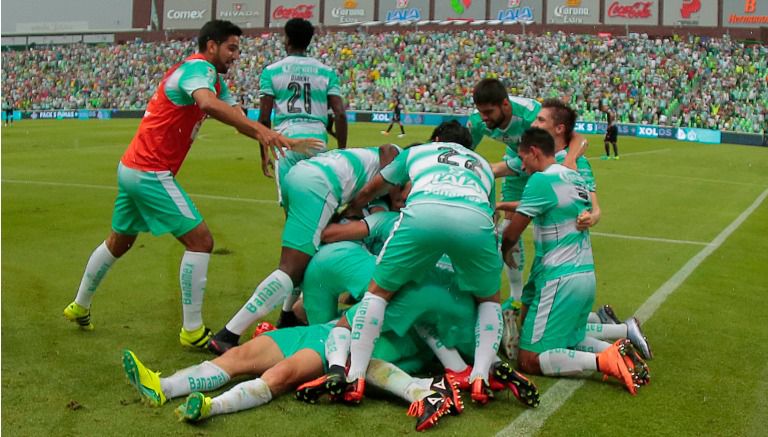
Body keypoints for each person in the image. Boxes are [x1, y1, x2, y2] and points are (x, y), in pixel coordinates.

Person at [62, 20, 320, 348]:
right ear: (211, 46)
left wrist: (265, 139)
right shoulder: (199, 71)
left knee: (120, 241)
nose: (236, 56)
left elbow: (235, 114)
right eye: (231, 48)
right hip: (150, 171)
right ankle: (193, 331)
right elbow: (208, 105)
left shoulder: (209, 77)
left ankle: (79, 306)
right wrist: (262, 132)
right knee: (201, 241)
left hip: (131, 168)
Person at [326, 121, 504, 405]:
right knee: (490, 299)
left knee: (378, 293)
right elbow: (491, 211)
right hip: (475, 219)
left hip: (423, 213)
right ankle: (480, 376)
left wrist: (355, 206)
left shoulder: (420, 151)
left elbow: (377, 186)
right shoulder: (481, 164)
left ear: (435, 138)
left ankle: (355, 377)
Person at [207, 145, 401, 354]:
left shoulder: (373, 171)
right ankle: (228, 335)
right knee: (291, 269)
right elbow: (389, 152)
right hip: (321, 184)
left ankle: (288, 316)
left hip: (301, 175)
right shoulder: (400, 157)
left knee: (305, 258)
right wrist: (359, 203)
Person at [500, 128, 649, 394]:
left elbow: (512, 233)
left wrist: (505, 250)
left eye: (523, 158)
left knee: (529, 360)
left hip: (559, 278)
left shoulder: (541, 181)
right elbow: (543, 204)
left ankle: (604, 360)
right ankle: (619, 352)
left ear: (534, 152)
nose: (522, 166)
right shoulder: (573, 177)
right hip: (583, 275)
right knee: (570, 338)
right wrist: (502, 206)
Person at [122, 323, 462, 430]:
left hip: (340, 347)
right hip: (317, 329)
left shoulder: (439, 323)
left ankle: (211, 407)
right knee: (237, 356)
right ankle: (162, 387)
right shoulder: (391, 262)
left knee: (280, 375)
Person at [258, 18, 347, 182]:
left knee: (290, 203)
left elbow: (264, 118)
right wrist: (342, 152)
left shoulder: (270, 71)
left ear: (288, 40)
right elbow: (340, 114)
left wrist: (264, 154)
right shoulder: (327, 72)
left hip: (287, 141)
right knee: (317, 197)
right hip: (317, 142)